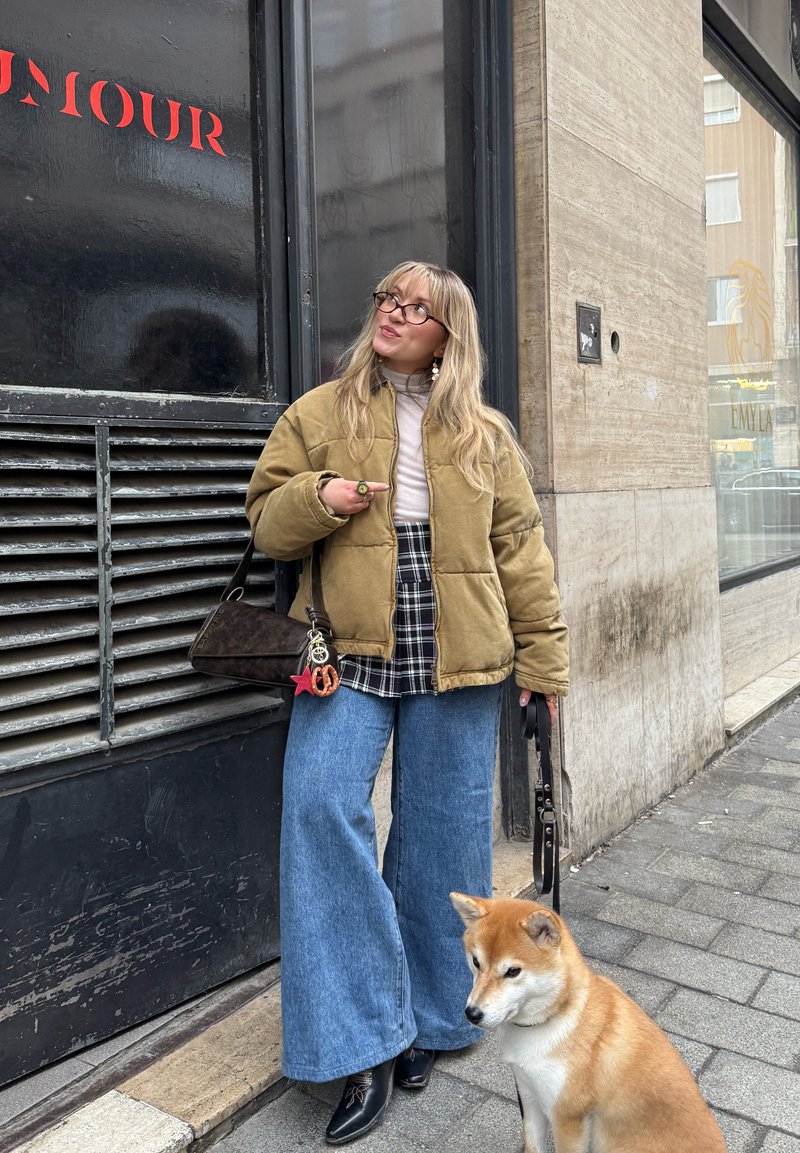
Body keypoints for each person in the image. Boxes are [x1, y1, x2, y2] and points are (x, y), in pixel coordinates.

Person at [245, 260, 569, 1146]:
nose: (394, 311)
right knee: (317, 802)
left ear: (447, 334)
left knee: (440, 837)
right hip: (348, 650)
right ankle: (361, 1038)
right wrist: (321, 497)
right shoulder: (320, 413)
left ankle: (430, 1016)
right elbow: (266, 522)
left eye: (416, 306)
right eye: (386, 297)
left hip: (460, 652)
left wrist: (544, 659)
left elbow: (523, 551)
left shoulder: (485, 435)